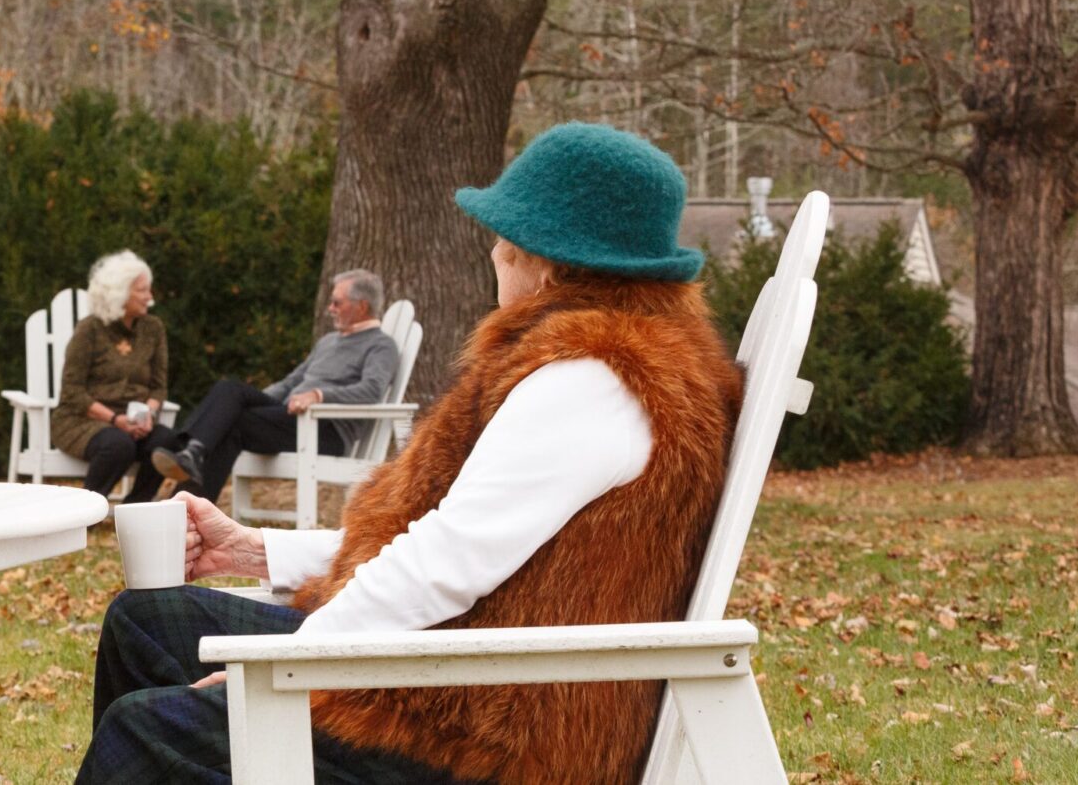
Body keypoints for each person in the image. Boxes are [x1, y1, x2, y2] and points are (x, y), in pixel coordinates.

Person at [78, 122, 742, 784]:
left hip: (491, 728)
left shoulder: (589, 381)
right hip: (468, 661)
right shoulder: (606, 367)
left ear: (544, 262)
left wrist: (291, 668)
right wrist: (255, 550)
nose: (493, 252)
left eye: (504, 239)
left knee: (142, 727)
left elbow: (448, 559)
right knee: (144, 620)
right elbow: (440, 534)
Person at [149, 269, 397, 500]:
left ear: (362, 306)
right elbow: (292, 381)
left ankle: (184, 498)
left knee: (233, 422)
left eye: (337, 302)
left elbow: (372, 389)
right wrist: (243, 400)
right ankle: (192, 456)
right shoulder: (329, 341)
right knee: (229, 392)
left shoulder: (380, 345)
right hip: (288, 417)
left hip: (323, 428)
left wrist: (319, 395)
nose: (330, 308)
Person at [52, 250, 178, 501]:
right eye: (142, 290)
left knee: (166, 441)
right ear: (120, 293)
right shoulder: (90, 330)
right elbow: (72, 391)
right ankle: (85, 512)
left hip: (134, 422)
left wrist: (148, 416)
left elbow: (158, 388)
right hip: (82, 420)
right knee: (118, 444)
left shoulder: (153, 329)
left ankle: (135, 509)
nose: (149, 297)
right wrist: (116, 419)